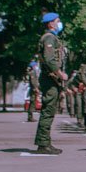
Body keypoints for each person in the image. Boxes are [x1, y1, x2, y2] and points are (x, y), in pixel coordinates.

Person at [34, 12, 67, 155]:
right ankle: (43, 143)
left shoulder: (53, 38)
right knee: (48, 111)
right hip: (50, 78)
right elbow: (49, 59)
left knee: (49, 111)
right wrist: (60, 73)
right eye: (58, 21)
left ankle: (45, 142)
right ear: (51, 24)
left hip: (51, 78)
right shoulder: (49, 38)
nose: (60, 23)